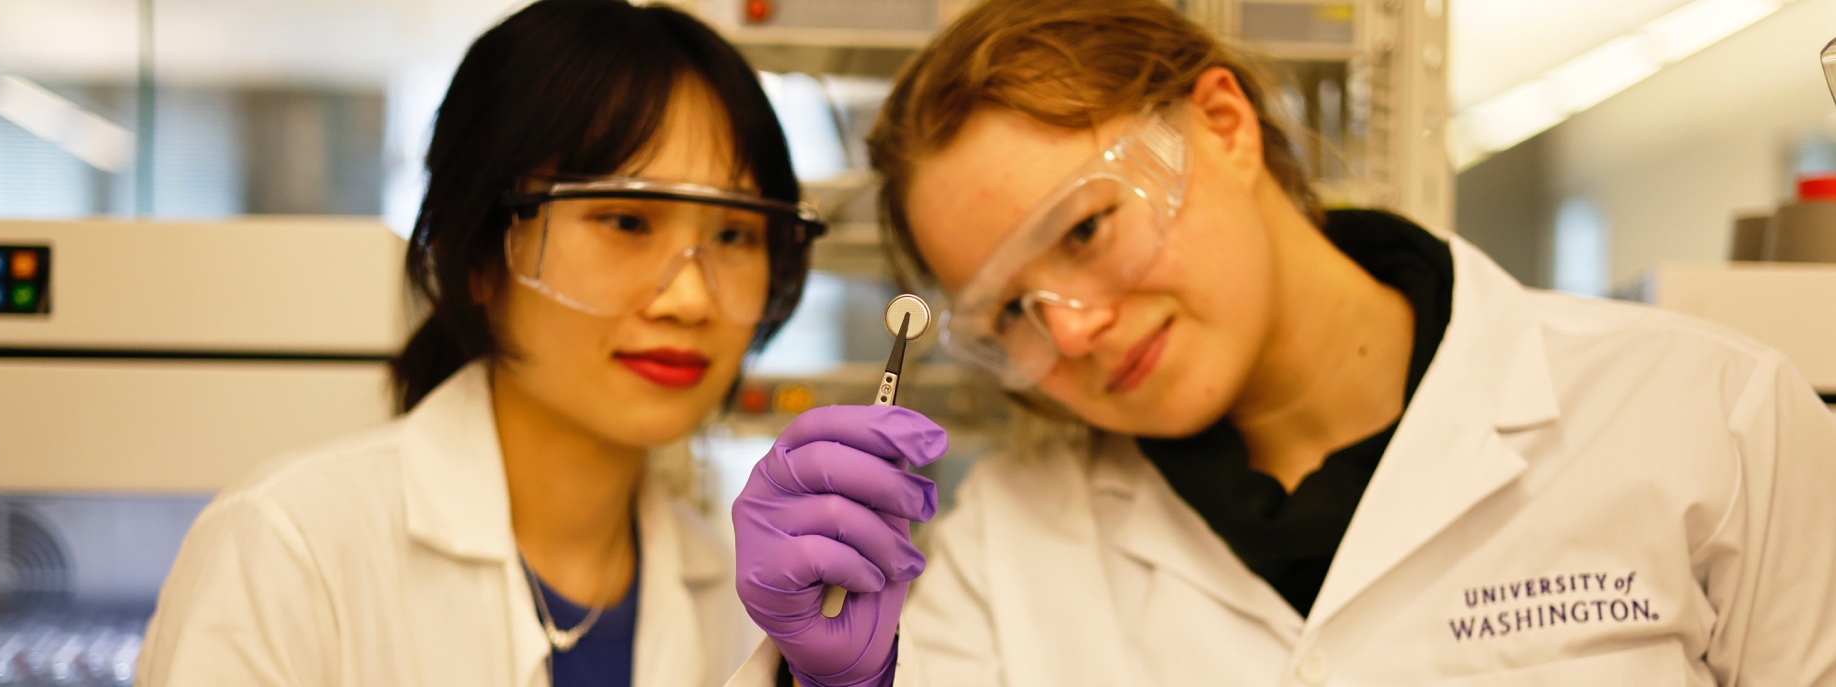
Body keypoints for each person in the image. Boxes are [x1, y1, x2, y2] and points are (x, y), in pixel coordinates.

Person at [727, 0, 1836, 685]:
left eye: (1084, 230)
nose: (1070, 326)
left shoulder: (1712, 416)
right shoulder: (1005, 551)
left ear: (1221, 123)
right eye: (1008, 311)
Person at [137, 1, 824, 685]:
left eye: (735, 235)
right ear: (481, 255)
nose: (691, 298)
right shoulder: (290, 547)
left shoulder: (739, 599)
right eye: (626, 220)